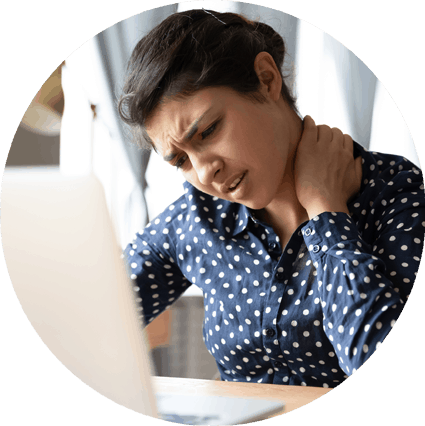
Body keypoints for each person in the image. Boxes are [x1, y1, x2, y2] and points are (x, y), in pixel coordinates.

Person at [118, 9, 424, 388]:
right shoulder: (197, 218)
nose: (203, 172)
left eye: (209, 131)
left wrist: (327, 212)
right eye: (180, 160)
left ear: (266, 79)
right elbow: (98, 316)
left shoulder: (396, 194)